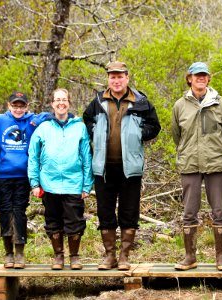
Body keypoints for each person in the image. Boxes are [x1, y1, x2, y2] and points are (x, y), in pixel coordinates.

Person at [83, 61, 161, 271]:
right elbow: (86, 121)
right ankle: (109, 256)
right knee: (105, 212)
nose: (116, 80)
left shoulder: (141, 102)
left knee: (129, 212)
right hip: (104, 168)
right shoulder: (98, 101)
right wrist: (97, 134)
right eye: (112, 77)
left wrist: (137, 134)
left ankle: (125, 255)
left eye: (120, 76)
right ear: (108, 79)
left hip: (130, 168)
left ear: (127, 78)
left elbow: (155, 126)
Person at [171, 62, 222, 271]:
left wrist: (214, 151)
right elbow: (176, 136)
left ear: (208, 79)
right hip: (190, 164)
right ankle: (190, 257)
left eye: (204, 75)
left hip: (216, 163)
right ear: (189, 78)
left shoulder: (220, 104)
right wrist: (189, 152)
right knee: (189, 212)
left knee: (219, 211)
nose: (200, 78)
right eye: (197, 75)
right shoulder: (180, 105)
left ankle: (221, 257)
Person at [0, 92, 48, 269]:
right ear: (8, 105)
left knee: (19, 211)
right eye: (15, 105)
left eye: (21, 106)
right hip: (3, 175)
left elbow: (49, 115)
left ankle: (19, 253)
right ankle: (8, 253)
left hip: (22, 176)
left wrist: (36, 120)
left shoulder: (30, 120)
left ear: (26, 107)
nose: (18, 109)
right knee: (5, 211)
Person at [28, 88, 93, 270]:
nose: (61, 103)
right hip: (49, 184)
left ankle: (74, 256)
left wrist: (87, 185)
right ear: (52, 104)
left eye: (64, 99)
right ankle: (58, 256)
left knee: (75, 221)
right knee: (53, 221)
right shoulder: (44, 127)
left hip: (74, 183)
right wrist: (34, 182)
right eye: (57, 100)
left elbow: (87, 156)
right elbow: (33, 156)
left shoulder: (79, 127)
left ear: (69, 103)